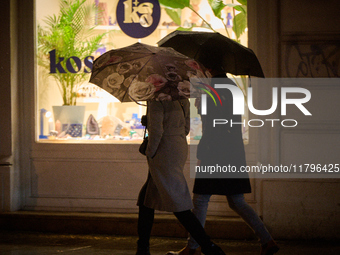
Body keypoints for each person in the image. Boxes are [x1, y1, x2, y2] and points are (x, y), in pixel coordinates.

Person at [166, 69, 279, 255]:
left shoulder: (212, 89)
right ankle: (267, 240)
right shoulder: (231, 88)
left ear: (209, 69)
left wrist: (203, 148)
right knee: (236, 200)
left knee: (201, 199)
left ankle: (193, 247)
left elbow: (213, 124)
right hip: (233, 152)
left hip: (215, 152)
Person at [136, 98, 226, 255]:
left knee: (177, 200)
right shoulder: (181, 97)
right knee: (147, 199)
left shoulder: (156, 98)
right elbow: (186, 128)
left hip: (162, 149)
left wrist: (150, 152)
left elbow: (157, 131)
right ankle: (142, 247)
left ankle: (208, 246)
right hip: (178, 145)